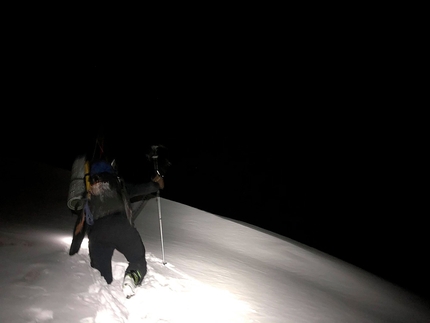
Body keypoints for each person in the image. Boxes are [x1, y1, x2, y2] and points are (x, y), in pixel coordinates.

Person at [83, 158, 164, 297]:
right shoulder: (118, 183)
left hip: (97, 233)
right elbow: (143, 188)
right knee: (137, 259)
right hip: (121, 227)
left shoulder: (89, 189)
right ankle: (131, 278)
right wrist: (157, 185)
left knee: (100, 276)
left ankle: (102, 297)